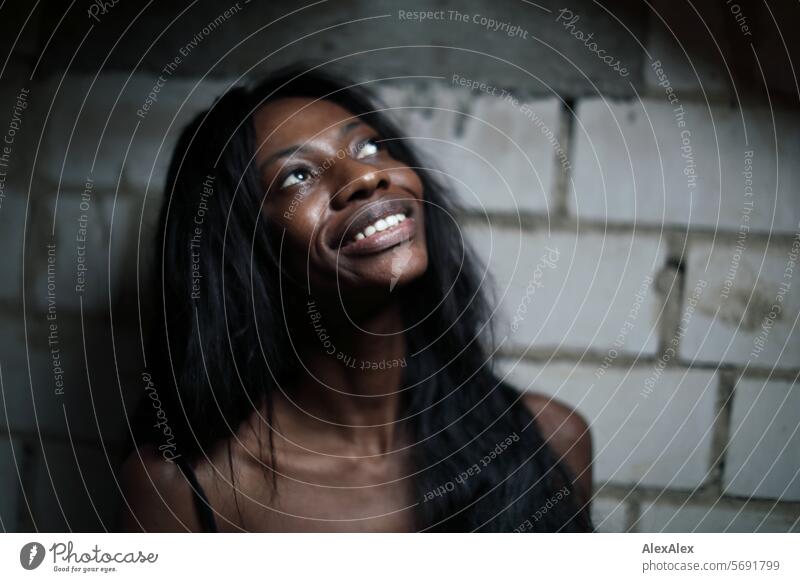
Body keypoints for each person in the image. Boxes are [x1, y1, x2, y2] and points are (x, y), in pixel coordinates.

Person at [119, 65, 593, 532]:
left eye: (367, 147)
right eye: (297, 176)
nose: (365, 178)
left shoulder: (551, 439)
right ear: (243, 247)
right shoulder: (184, 490)